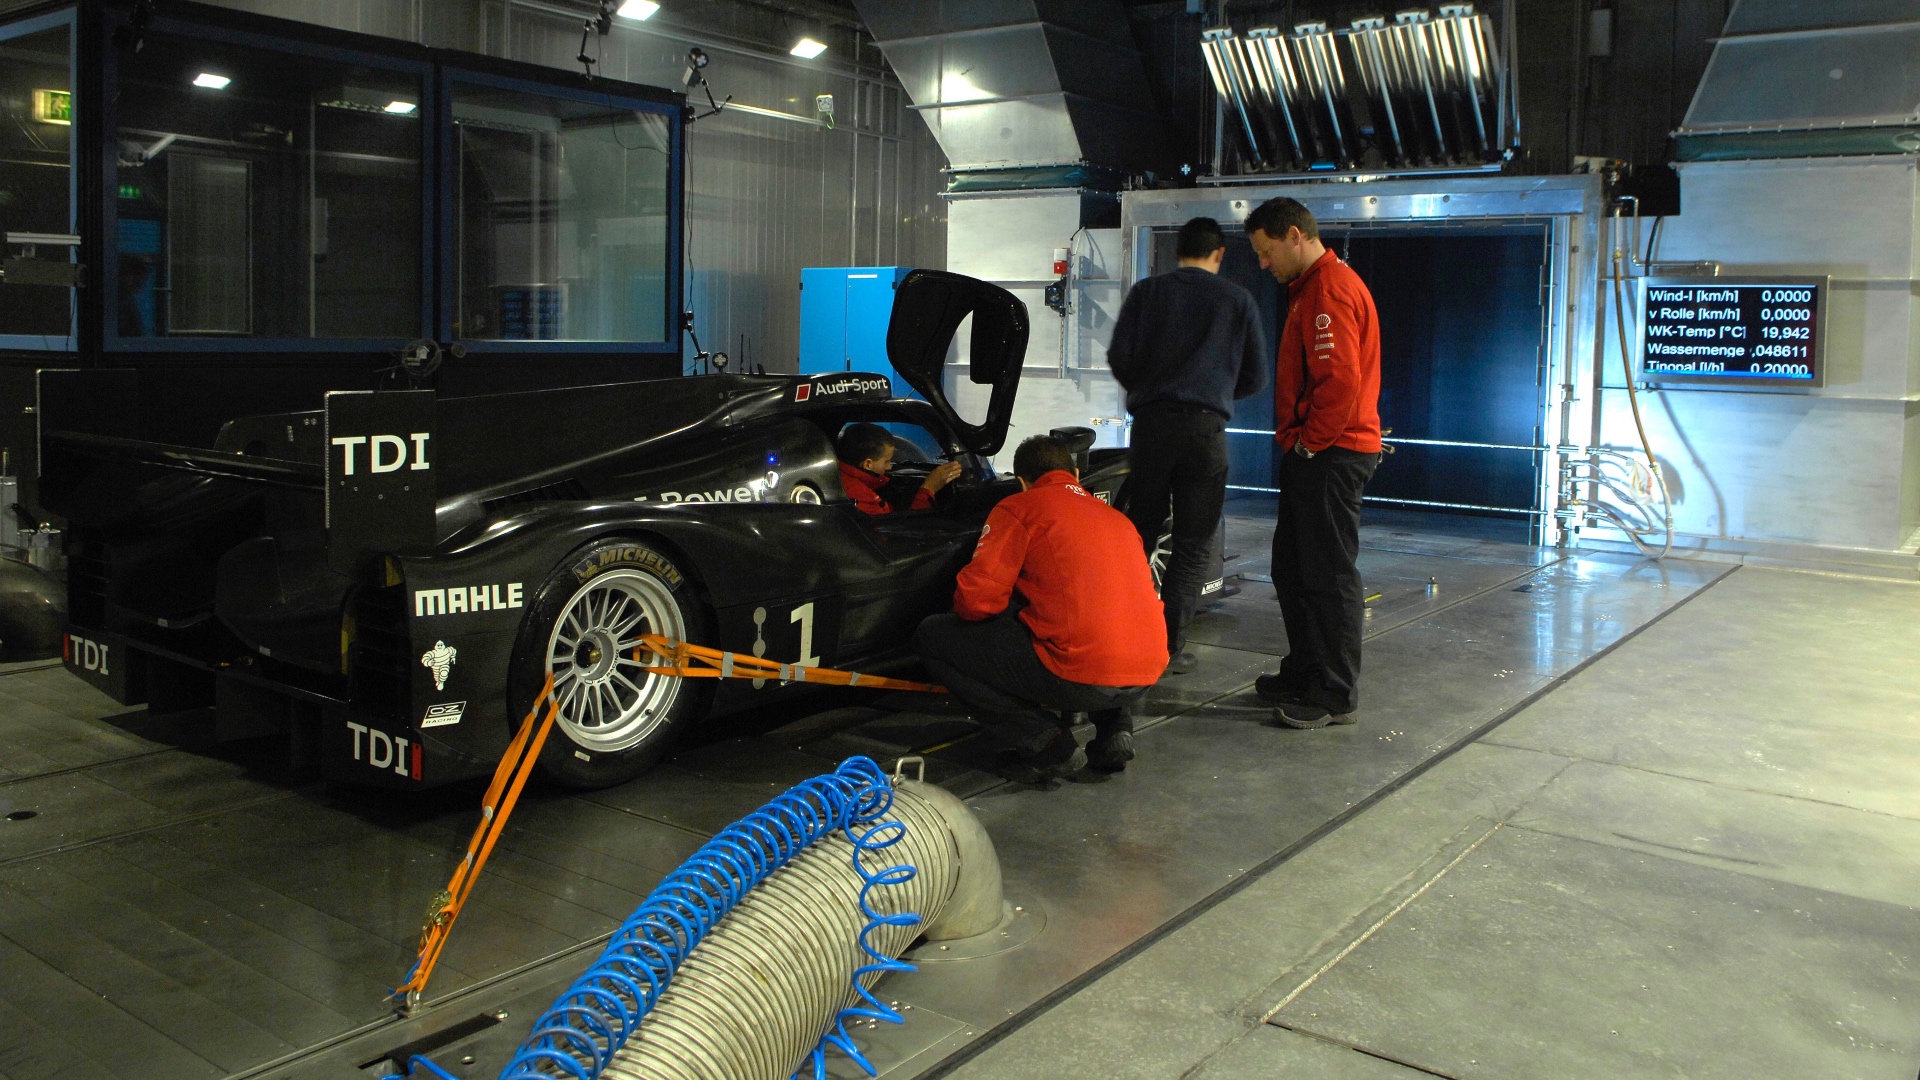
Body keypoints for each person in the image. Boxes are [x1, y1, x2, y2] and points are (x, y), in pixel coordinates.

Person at [915, 435, 1168, 781]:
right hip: (1148, 669)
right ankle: (1114, 730)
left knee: (934, 636)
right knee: (1100, 621)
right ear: (1075, 474)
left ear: (1021, 482)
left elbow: (977, 602)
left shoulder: (1020, 508)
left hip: (1081, 674)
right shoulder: (1115, 519)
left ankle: (1047, 744)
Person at [1244, 197, 1384, 730]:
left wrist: (1311, 443)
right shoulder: (1316, 287)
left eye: (1266, 251)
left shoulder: (1327, 290)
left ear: (1296, 235)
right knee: (1294, 567)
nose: (1262, 264)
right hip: (1325, 450)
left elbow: (1340, 382)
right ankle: (1305, 670)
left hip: (1332, 452)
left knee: (1326, 574)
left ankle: (1333, 691)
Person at [1107, 216, 1269, 673]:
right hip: (1204, 433)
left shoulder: (1147, 293)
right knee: (1193, 543)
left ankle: (1123, 633)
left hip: (1152, 429)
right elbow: (1256, 376)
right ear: (1219, 253)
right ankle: (1167, 649)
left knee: (1137, 535)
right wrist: (1214, 393)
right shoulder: (1238, 300)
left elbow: (1120, 357)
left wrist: (1152, 389)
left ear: (1179, 250)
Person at [836, 422, 962, 515]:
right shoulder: (865, 499)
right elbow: (898, 531)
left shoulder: (839, 475)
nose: (890, 467)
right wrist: (928, 489)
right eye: (887, 461)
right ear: (868, 464)